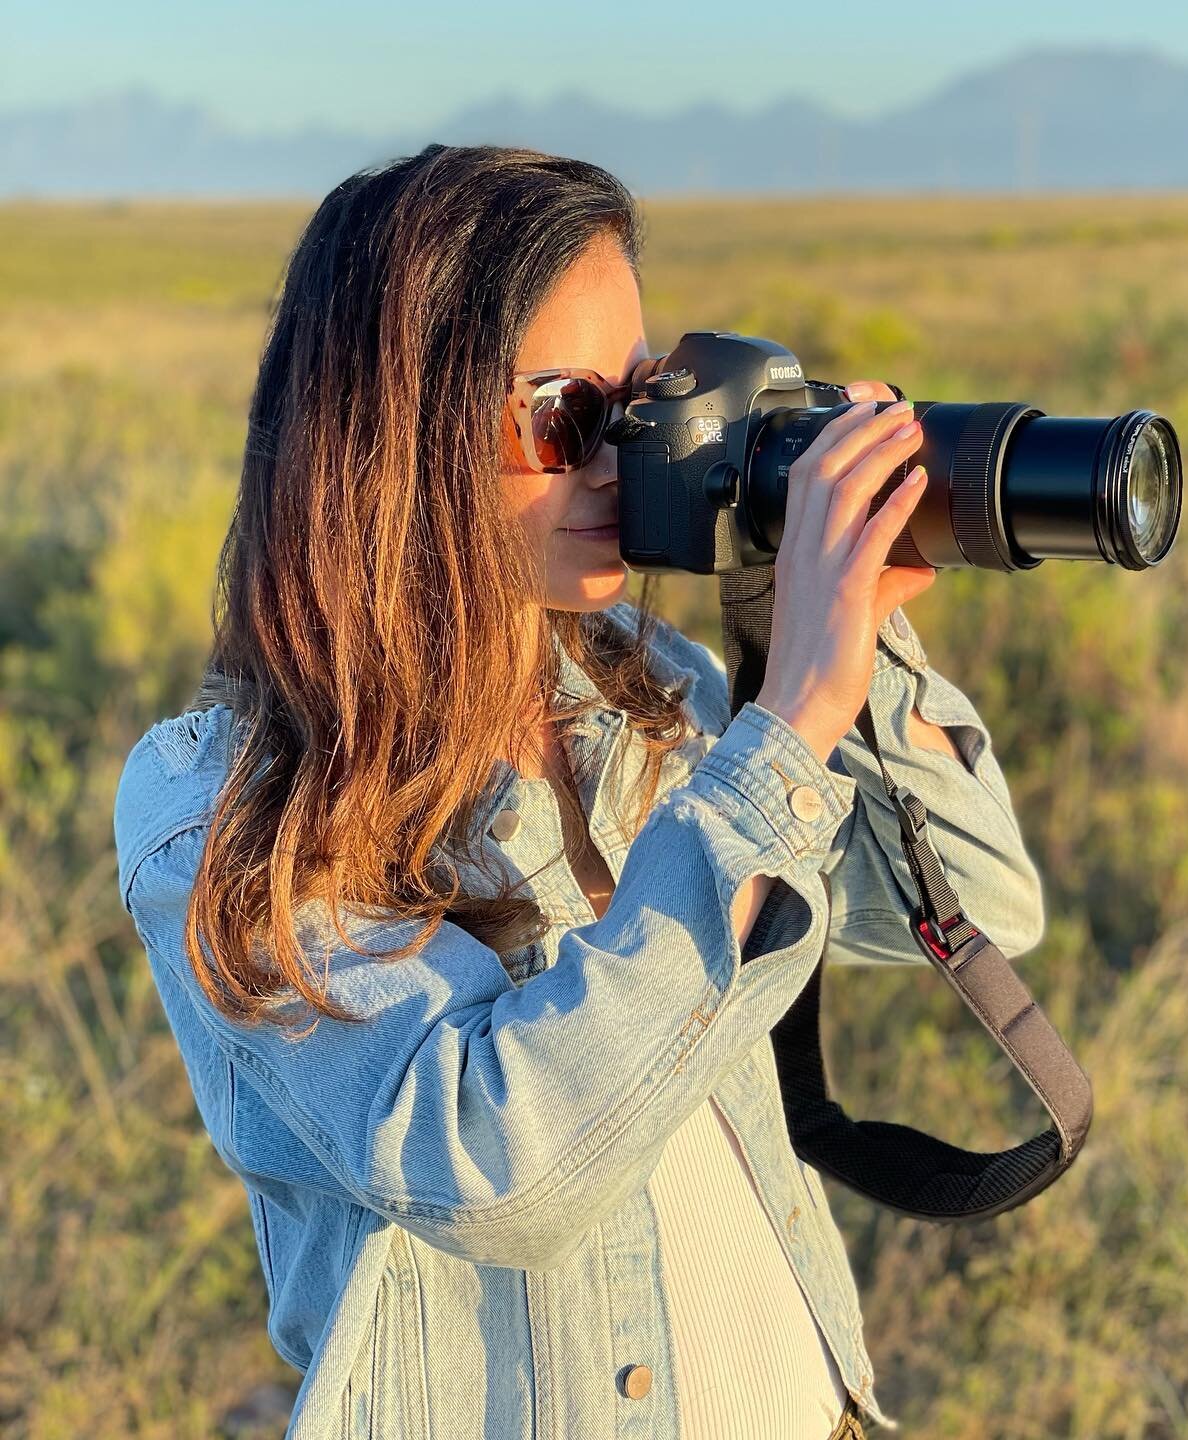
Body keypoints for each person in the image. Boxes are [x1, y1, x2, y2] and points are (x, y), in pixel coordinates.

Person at [112, 143, 1048, 1440]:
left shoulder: (644, 690)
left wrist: (858, 636)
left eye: (650, 403)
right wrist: (786, 730)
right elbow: (501, 1171)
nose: (629, 458)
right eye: (569, 418)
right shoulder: (229, 806)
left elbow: (977, 904)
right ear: (398, 436)